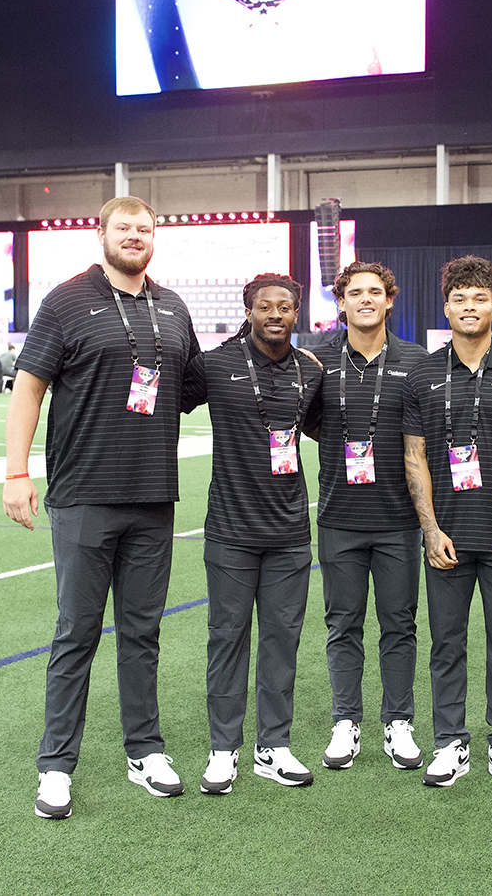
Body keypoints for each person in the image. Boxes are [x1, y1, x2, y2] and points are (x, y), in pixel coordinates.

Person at [3, 196, 199, 819]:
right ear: (102, 234)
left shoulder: (173, 307)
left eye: (145, 229)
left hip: (152, 498)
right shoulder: (65, 301)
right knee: (77, 634)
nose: (136, 236)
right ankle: (56, 766)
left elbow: (200, 382)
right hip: (83, 494)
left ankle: (145, 750)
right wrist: (15, 472)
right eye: (125, 228)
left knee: (142, 634)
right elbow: (29, 388)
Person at [403, 255, 492, 789]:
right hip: (448, 539)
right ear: (446, 306)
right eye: (459, 298)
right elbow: (414, 456)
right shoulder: (423, 376)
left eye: (479, 298)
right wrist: (430, 530)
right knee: (446, 643)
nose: (469, 307)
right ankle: (450, 743)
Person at [187, 273, 323, 795]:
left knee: (282, 642)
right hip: (230, 531)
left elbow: (320, 427)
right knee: (227, 640)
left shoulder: (310, 372)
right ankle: (224, 750)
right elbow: (167, 402)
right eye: (264, 306)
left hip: (290, 532)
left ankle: (274, 746)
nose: (275, 314)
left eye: (285, 307)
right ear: (249, 311)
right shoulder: (216, 366)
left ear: (296, 314)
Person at [308, 262, 429, 772]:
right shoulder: (315, 361)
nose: (364, 300)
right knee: (343, 624)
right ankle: (346, 721)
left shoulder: (416, 361)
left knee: (399, 625)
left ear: (389, 300)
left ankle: (398, 721)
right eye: (354, 292)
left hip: (399, 520)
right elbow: (307, 423)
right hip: (338, 515)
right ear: (340, 302)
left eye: (374, 292)